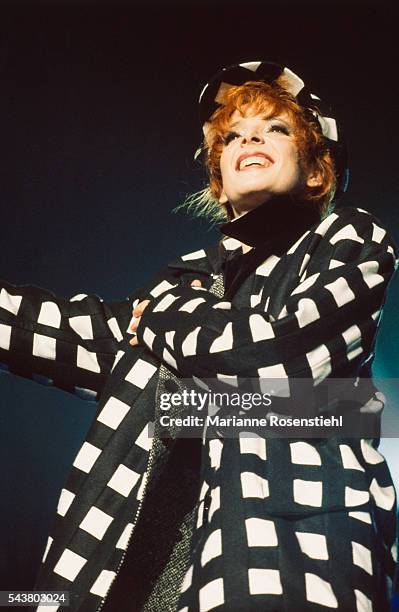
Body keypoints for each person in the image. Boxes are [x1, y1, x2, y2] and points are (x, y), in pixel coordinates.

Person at [0, 60, 397, 611]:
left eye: (276, 128)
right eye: (232, 135)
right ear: (219, 181)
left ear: (314, 172)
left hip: (291, 563)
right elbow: (47, 328)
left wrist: (165, 328)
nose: (250, 137)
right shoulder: (185, 283)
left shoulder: (347, 239)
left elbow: (279, 362)